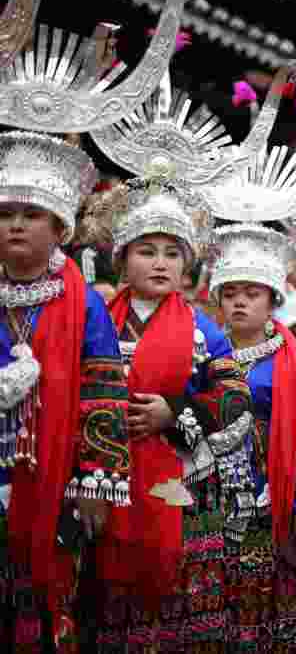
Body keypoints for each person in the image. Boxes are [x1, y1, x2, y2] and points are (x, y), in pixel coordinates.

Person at [88, 176, 253, 651]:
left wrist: (174, 413)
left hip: (181, 481)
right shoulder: (93, 317)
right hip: (106, 478)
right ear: (121, 259)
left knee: (177, 605)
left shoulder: (205, 331)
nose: (160, 262)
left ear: (187, 266)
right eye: (146, 250)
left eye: (171, 252)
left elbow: (234, 397)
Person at [0, 132, 132, 651]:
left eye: (31, 215)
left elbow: (104, 393)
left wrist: (98, 483)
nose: (15, 223)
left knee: (42, 600)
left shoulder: (84, 304)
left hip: (53, 477)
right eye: (6, 211)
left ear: (60, 229)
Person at [207, 223, 296, 651]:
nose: (240, 301)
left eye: (252, 293)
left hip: (272, 499)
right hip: (210, 499)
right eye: (230, 293)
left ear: (273, 301)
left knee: (270, 608)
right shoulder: (202, 353)